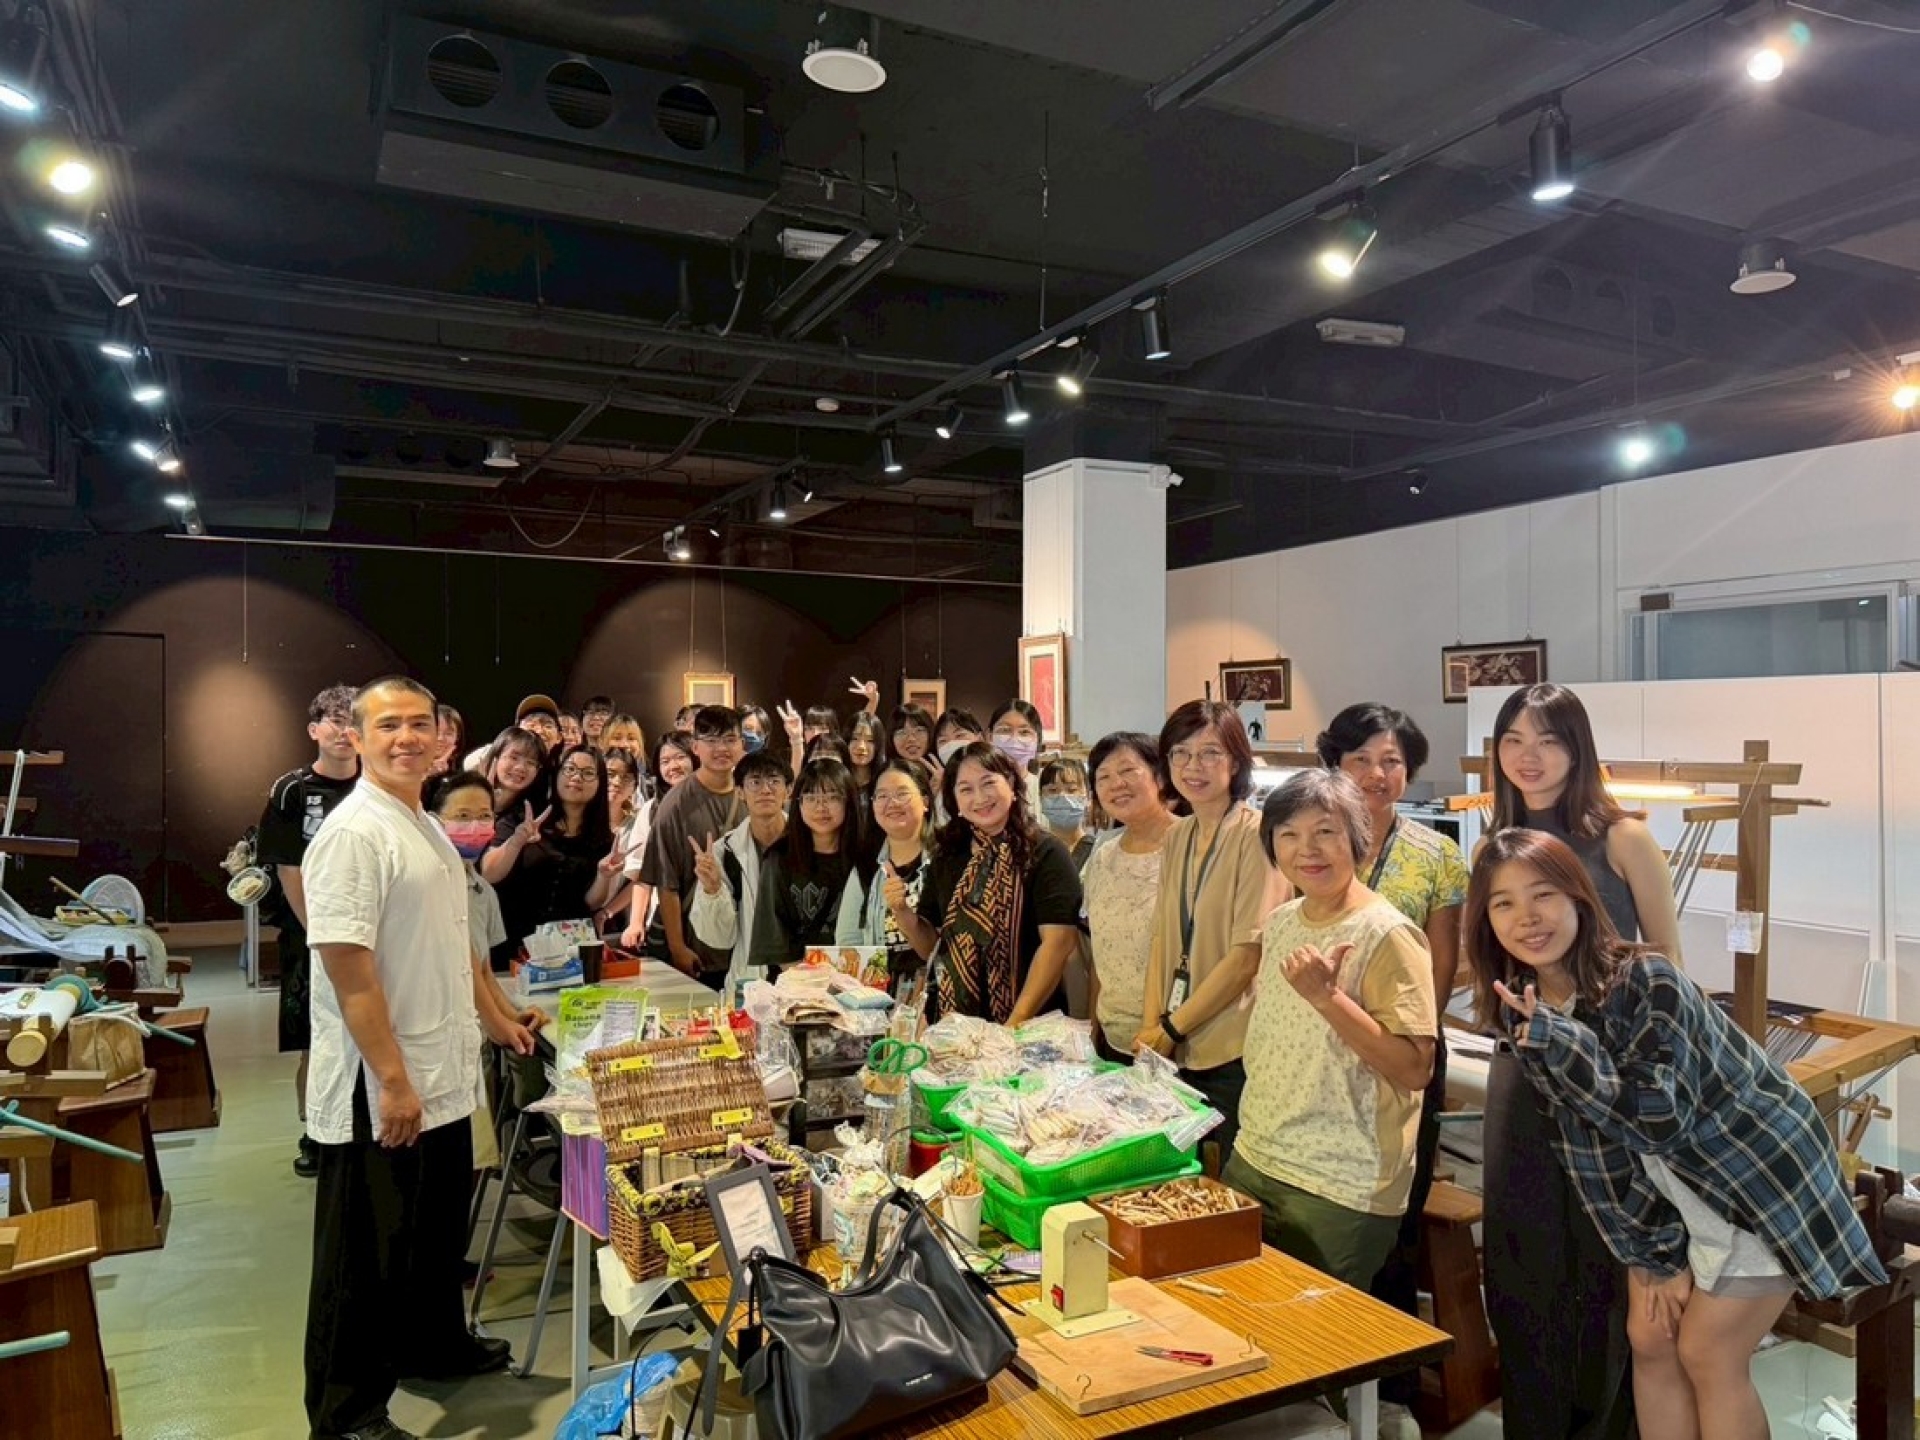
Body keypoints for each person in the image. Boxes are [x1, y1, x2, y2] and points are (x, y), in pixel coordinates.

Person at [1468, 828, 1884, 1440]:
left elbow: (1658, 1118)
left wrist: (1564, 1042)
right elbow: (1592, 1154)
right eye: (1503, 903)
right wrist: (1654, 1257)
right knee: (1650, 1336)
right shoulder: (1526, 1008)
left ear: (1579, 897)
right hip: (1679, 1190)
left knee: (1708, 1352)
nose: (1526, 917)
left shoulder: (1647, 978)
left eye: (1543, 895)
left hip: (1756, 1181)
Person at [302, 677, 534, 1440]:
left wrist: (496, 1017)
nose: (406, 738)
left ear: (440, 738)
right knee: (364, 1252)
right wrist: (393, 1080)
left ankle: (434, 1343)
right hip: (383, 1081)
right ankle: (346, 1412)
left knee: (432, 1230)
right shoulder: (353, 834)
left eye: (419, 725)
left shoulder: (426, 825)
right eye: (388, 725)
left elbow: (454, 939)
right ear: (357, 738)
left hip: (443, 1066)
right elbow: (349, 969)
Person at [1481, 681, 1684, 1440]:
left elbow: (1669, 964)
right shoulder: (1498, 838)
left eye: (1548, 740)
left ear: (1578, 748)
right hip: (1524, 1064)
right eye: (1513, 741)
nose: (1528, 757)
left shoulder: (1624, 838)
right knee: (1521, 1256)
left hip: (1607, 1073)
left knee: (1602, 1260)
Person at [1226, 770, 1435, 1440]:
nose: (1307, 849)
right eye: (1288, 834)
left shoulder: (1388, 933)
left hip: (1338, 1181)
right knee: (1249, 1340)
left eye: (1325, 832)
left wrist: (1329, 998)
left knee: (1318, 1360)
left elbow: (1414, 1068)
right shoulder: (1282, 921)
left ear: (1358, 840)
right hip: (1258, 1156)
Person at [1316, 702, 1469, 1354]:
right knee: (1323, 1200)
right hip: (1319, 1052)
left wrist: (1400, 1043)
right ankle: (1323, 1353)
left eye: (1392, 762)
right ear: (1335, 765)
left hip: (1402, 1056)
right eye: (1361, 760)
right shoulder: (1313, 842)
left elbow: (1440, 969)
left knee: (1397, 1208)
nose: (1377, 775)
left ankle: (1393, 1370)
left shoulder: (1438, 856)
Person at [1136, 701, 1289, 1168]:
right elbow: (1162, 940)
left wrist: (1171, 1027)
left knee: (1231, 1181)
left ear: (1236, 761)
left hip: (1232, 1045)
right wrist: (1152, 1026)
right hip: (1173, 1044)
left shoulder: (1257, 835)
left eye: (1209, 753)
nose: (1192, 767)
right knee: (1177, 1178)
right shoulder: (1177, 836)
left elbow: (1247, 956)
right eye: (1180, 754)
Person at [893, 742, 1082, 1025]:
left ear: (1011, 785)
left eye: (988, 783)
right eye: (966, 789)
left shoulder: (1046, 852)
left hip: (1028, 1027)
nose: (979, 798)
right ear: (955, 801)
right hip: (956, 1027)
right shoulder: (947, 855)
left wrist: (1012, 1026)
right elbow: (931, 946)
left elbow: (1058, 943)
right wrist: (902, 912)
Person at [257, 683, 360, 1179]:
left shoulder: (378, 784)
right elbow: (287, 867)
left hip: (367, 929)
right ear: (314, 729)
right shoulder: (291, 790)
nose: (344, 731)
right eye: (334, 720)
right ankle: (316, 1132)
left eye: (352, 721)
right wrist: (318, 932)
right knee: (315, 1039)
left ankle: (361, 1128)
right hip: (309, 935)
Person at [1080, 732, 1177, 1064]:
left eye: (1127, 771)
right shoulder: (1103, 856)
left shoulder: (1190, 845)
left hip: (1178, 1041)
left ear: (1160, 777)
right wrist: (1093, 1028)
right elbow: (1101, 951)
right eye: (1103, 777)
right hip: (1114, 1039)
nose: (1116, 784)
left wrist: (1168, 1030)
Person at [637, 707, 748, 984]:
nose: (721, 748)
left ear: (742, 744)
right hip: (693, 944)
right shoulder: (675, 804)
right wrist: (678, 948)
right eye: (711, 741)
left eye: (729, 739)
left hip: (738, 942)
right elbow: (666, 883)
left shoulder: (750, 793)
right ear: (696, 747)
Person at [481, 743, 616, 952]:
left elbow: (590, 903)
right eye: (569, 769)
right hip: (513, 940)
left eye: (588, 773)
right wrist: (516, 841)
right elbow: (488, 874)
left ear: (601, 783)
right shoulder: (523, 818)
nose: (576, 777)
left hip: (568, 947)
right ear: (556, 774)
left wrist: (604, 876)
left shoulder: (603, 838)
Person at [687, 750, 791, 994]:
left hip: (804, 978)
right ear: (740, 792)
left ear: (788, 790)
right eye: (755, 782)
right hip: (749, 981)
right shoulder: (724, 852)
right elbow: (718, 938)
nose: (765, 790)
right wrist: (713, 890)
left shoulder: (808, 843)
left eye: (774, 781)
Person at [748, 756, 864, 976]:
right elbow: (777, 943)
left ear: (849, 801)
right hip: (796, 984)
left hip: (858, 982)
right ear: (798, 803)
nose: (821, 807)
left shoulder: (865, 859)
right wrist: (814, 985)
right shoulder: (778, 859)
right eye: (811, 797)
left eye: (832, 797)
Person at [836, 758, 934, 994]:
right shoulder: (867, 865)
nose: (892, 803)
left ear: (925, 801)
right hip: (881, 997)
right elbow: (848, 940)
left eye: (902, 794)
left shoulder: (945, 859)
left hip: (936, 991)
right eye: (881, 796)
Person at [616, 731, 695, 954]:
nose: (673, 766)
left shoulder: (712, 804)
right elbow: (641, 873)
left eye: (680, 757)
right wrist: (636, 922)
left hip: (712, 916)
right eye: (665, 761)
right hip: (663, 919)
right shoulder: (651, 810)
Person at [592, 747, 644, 938]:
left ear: (635, 786)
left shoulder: (639, 824)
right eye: (610, 774)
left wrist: (607, 912)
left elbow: (641, 877)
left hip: (616, 920)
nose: (616, 782)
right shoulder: (580, 819)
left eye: (626, 777)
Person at [1038, 756, 1094, 870]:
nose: (1062, 797)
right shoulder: (1032, 852)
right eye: (1053, 790)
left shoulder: (1098, 851)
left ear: (1088, 796)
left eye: (1072, 790)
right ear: (1041, 798)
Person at [845, 711, 885, 798]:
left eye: (870, 740)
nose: (861, 746)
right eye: (855, 738)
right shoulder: (836, 780)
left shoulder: (885, 779)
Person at [430, 704, 464, 778]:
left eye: (448, 733)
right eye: (435, 731)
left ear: (457, 737)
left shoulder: (463, 777)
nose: (440, 738)